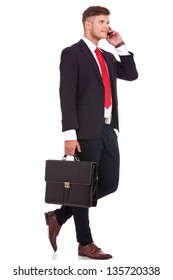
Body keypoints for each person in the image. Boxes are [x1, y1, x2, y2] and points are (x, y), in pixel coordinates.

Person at [45, 6, 138, 259]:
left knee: (109, 183)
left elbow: (131, 74)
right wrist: (69, 135)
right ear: (88, 24)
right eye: (102, 21)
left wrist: (119, 45)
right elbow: (66, 95)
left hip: (108, 129)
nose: (107, 26)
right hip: (84, 132)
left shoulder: (107, 56)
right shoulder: (72, 54)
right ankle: (84, 243)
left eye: (108, 21)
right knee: (82, 187)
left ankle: (60, 214)